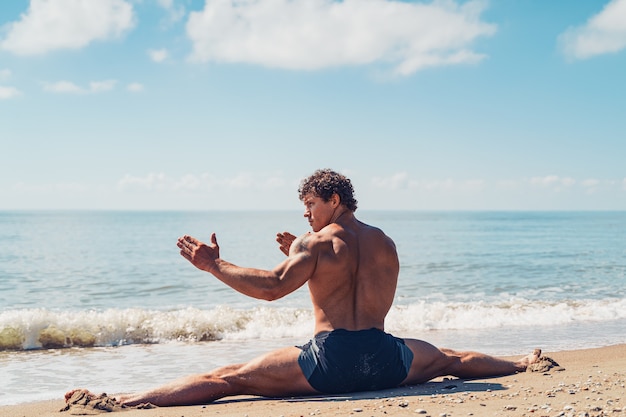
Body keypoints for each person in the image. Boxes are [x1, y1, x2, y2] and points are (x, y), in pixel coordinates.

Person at [65, 168, 541, 408]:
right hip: (386, 361)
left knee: (229, 376)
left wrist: (215, 264)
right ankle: (526, 362)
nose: (306, 215)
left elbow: (273, 288)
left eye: (311, 205)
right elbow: (353, 278)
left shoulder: (314, 244)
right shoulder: (385, 242)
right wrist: (307, 253)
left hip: (329, 363)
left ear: (334, 200)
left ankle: (124, 402)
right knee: (450, 359)